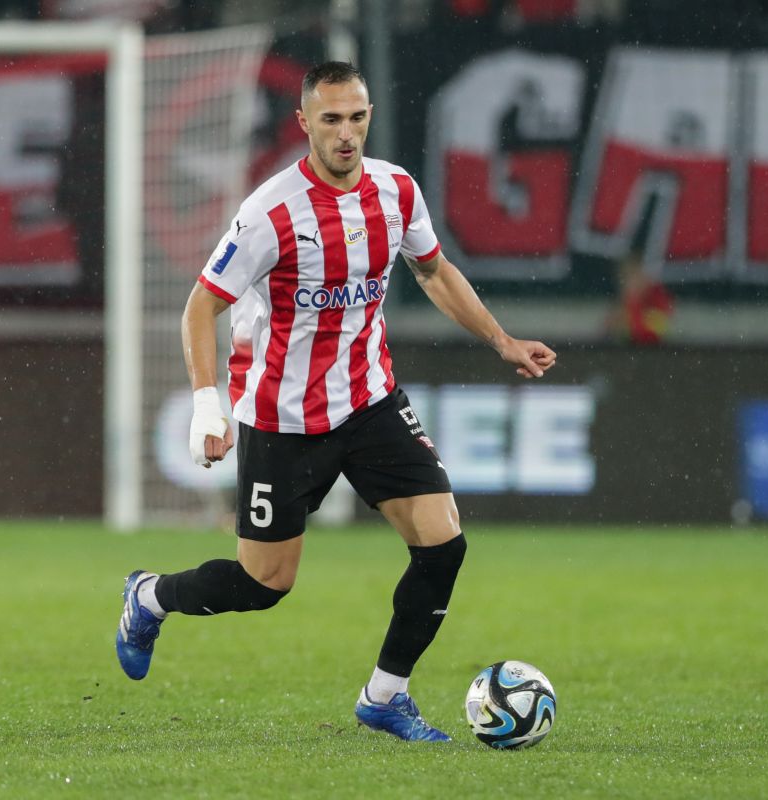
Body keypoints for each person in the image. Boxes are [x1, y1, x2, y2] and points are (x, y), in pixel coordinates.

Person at [114, 61, 557, 743]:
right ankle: (150, 597)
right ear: (304, 123)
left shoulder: (396, 190)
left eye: (356, 117)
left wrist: (501, 340)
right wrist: (207, 405)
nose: (346, 134)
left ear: (369, 116)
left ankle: (385, 695)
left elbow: (433, 270)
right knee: (264, 584)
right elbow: (201, 306)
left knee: (443, 544)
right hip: (284, 418)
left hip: (370, 400)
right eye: (330, 120)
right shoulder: (271, 212)